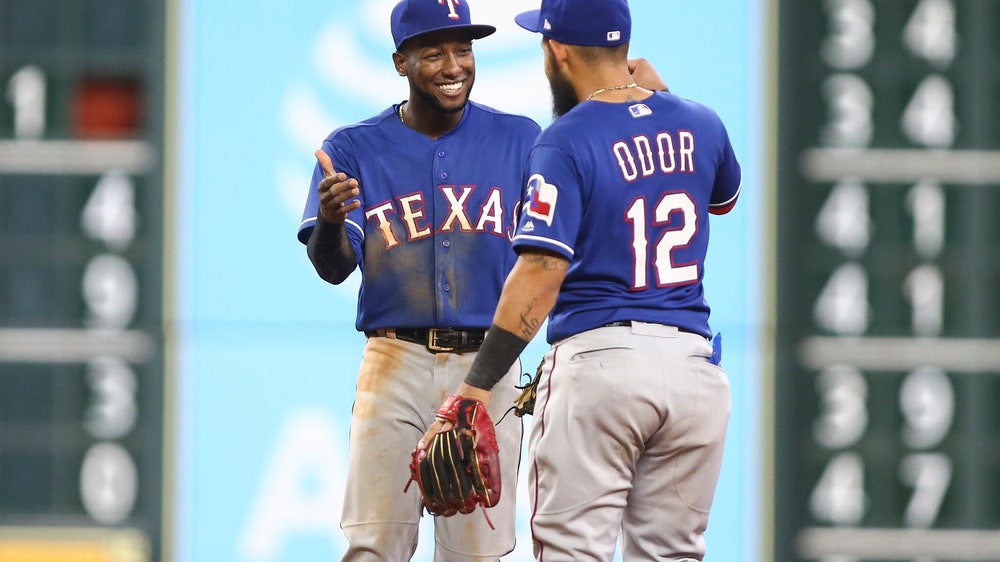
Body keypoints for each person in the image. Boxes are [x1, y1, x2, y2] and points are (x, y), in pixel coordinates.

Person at [417, 0, 742, 560]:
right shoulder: (700, 120)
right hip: (695, 373)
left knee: (572, 553)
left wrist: (474, 388)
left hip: (603, 369)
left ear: (558, 50)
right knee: (672, 554)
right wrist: (663, 102)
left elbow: (541, 271)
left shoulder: (565, 139)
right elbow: (724, 198)